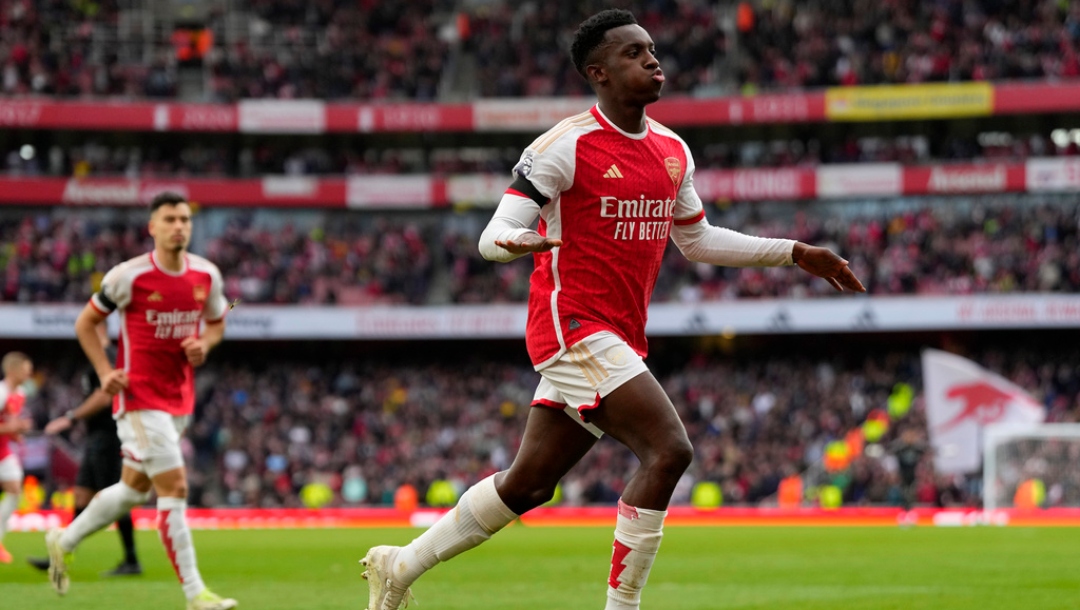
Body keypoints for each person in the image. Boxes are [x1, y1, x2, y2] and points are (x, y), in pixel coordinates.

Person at [358, 9, 866, 610]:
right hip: (571, 325)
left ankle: (400, 565)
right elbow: (491, 236)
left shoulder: (673, 150)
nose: (653, 60)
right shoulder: (564, 146)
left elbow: (695, 239)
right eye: (633, 53)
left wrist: (795, 253)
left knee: (529, 483)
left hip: (618, 333)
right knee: (669, 450)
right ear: (598, 73)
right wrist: (517, 242)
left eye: (651, 49)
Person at [44, 191, 236, 610]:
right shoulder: (127, 277)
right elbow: (86, 321)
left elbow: (218, 323)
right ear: (152, 227)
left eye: (184, 219)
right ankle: (195, 594)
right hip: (138, 398)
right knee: (176, 487)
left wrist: (204, 343)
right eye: (169, 219)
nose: (179, 226)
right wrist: (103, 371)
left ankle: (64, 538)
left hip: (179, 399)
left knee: (132, 491)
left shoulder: (206, 276)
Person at [27, 322, 142, 575]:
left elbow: (105, 395)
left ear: (98, 330)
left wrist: (70, 417)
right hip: (96, 436)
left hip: (109, 436)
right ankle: (62, 553)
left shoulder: (108, 356)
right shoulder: (97, 359)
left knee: (116, 497)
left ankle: (132, 560)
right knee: (81, 495)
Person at [0, 352, 34, 564]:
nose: (29, 373)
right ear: (12, 370)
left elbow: (9, 423)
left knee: (14, 488)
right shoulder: (1, 392)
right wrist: (11, 428)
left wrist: (17, 431)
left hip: (3, 450)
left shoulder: (20, 393)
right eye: (25, 369)